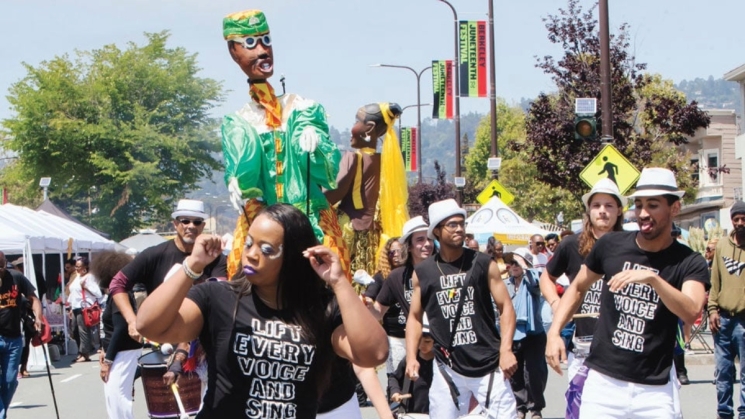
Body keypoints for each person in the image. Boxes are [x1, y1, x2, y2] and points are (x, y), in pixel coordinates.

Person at [136, 204, 388, 418]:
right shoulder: (218, 298)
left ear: (291, 257)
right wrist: (192, 265)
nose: (252, 255)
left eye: (267, 249)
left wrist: (339, 282)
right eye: (248, 244)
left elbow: (373, 354)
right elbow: (149, 326)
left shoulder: (320, 309)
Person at [545, 168, 710, 419]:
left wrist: (654, 280)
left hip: (655, 391)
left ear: (674, 209)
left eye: (653, 205)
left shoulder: (689, 261)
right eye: (639, 205)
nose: (643, 213)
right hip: (603, 385)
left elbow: (692, 310)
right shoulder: (611, 245)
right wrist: (554, 331)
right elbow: (578, 287)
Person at [221, 9, 348, 279]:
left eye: (266, 40)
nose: (263, 51)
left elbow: (326, 167)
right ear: (234, 53)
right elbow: (243, 170)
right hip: (262, 220)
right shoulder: (239, 121)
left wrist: (313, 138)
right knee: (244, 276)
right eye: (251, 43)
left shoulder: (300, 108)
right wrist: (236, 178)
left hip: (309, 216)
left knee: (328, 277)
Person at [406, 199, 518, 418]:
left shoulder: (484, 263)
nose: (459, 229)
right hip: (447, 368)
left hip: (489, 365)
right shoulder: (424, 272)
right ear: (437, 231)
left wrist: (506, 350)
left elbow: (506, 307)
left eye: (461, 223)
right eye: (452, 225)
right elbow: (415, 318)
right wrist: (412, 356)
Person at [539, 178, 625, 381]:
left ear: (619, 210)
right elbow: (546, 277)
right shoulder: (571, 245)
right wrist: (556, 303)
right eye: (596, 205)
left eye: (609, 205)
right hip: (584, 344)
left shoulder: (631, 244)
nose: (602, 211)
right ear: (589, 210)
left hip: (621, 344)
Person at [325, 102, 408, 276]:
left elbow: (332, 194)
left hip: (349, 231)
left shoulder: (353, 157)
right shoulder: (386, 162)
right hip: (375, 234)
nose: (352, 127)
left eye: (357, 120)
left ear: (369, 128)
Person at [370, 216, 433, 376]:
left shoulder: (443, 270)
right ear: (409, 247)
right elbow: (379, 311)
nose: (427, 244)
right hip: (407, 344)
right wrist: (367, 307)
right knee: (405, 391)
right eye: (420, 240)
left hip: (440, 346)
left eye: (430, 239)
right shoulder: (397, 277)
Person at [92, 250, 141, 419]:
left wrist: (108, 360)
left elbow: (120, 328)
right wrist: (104, 350)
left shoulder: (120, 294)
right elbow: (111, 328)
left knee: (118, 396)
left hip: (124, 351)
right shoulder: (118, 294)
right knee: (114, 396)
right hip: (121, 351)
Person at [708, 200, 745, 419]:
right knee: (723, 373)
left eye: (744, 219)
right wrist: (712, 310)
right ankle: (724, 414)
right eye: (736, 219)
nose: (740, 223)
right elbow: (715, 281)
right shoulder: (721, 245)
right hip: (723, 320)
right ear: (731, 220)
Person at [504, 248, 547, 419]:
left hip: (533, 333)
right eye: (512, 263)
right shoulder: (506, 284)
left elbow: (537, 286)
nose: (514, 266)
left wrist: (526, 265)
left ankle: (535, 408)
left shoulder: (533, 279)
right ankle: (520, 406)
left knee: (534, 372)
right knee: (514, 373)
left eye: (517, 263)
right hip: (512, 333)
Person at [0, 252, 42, 419]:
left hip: (14, 339)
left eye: (2, 266)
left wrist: (38, 317)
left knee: (10, 381)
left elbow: (34, 299)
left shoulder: (16, 277)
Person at [389, 317, 435, 415]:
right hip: (411, 411)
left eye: (427, 341)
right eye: (419, 340)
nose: (422, 344)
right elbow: (394, 377)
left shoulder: (440, 362)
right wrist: (395, 392)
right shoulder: (409, 360)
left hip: (435, 411)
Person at [68, 257, 102, 362]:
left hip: (84, 307)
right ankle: (81, 351)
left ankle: (84, 353)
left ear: (85, 267)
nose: (76, 268)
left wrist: (86, 287)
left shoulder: (89, 277)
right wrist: (70, 307)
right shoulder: (77, 277)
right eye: (76, 266)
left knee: (83, 330)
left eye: (79, 266)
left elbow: (98, 293)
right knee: (74, 329)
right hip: (75, 306)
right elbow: (73, 292)